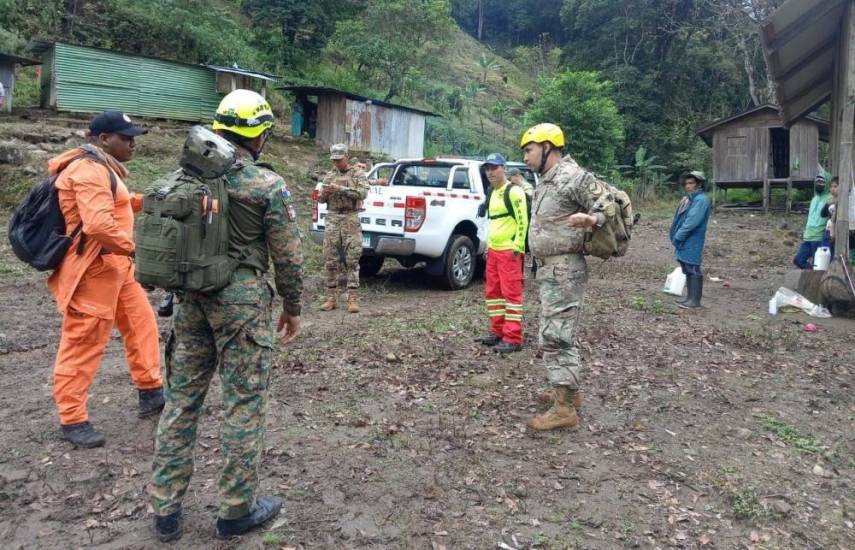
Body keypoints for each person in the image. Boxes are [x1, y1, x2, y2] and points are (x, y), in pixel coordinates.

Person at [149, 90, 304, 542]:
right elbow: (288, 258)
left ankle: (165, 507)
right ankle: (237, 508)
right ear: (258, 133)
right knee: (244, 404)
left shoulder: (180, 177)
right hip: (243, 307)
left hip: (190, 303)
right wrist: (292, 308)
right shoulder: (264, 185)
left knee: (180, 402)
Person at [47, 111, 164, 449]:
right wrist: (137, 250)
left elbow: (121, 204)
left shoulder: (104, 168)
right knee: (83, 343)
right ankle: (72, 418)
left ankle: (151, 391)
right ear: (102, 139)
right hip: (93, 271)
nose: (133, 144)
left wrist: (155, 200)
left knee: (142, 326)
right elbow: (98, 225)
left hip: (117, 268)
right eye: (126, 137)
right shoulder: (87, 171)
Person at [520, 123, 611, 431]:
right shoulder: (546, 179)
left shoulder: (573, 176)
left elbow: (607, 202)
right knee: (552, 331)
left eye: (529, 150)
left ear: (549, 147)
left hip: (564, 270)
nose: (526, 157)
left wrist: (592, 218)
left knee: (557, 335)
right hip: (549, 268)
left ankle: (564, 408)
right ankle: (568, 391)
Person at [476, 153, 528, 354]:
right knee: (493, 294)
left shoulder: (514, 192)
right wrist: (489, 246)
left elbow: (523, 220)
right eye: (487, 169)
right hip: (494, 251)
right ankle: (497, 331)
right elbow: (491, 222)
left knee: (511, 294)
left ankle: (513, 338)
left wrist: (518, 247)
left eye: (494, 168)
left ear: (503, 169)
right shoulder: (492, 192)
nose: (490, 172)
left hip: (509, 252)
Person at [318, 143, 369, 313]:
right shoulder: (330, 175)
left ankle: (352, 298)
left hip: (350, 217)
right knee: (330, 259)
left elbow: (362, 193)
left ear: (346, 157)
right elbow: (320, 199)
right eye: (334, 160)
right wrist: (326, 192)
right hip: (332, 218)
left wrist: (341, 188)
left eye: (339, 160)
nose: (337, 163)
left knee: (352, 258)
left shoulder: (357, 174)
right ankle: (331, 297)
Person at [669, 171, 712, 309]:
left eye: (691, 183)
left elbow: (691, 222)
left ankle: (694, 301)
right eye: (686, 183)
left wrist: (678, 236)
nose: (688, 186)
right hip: (686, 239)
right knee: (687, 267)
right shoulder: (691, 199)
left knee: (693, 267)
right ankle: (690, 298)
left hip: (692, 239)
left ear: (699, 184)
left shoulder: (701, 200)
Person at [793, 174, 831, 269]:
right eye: (817, 182)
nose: (819, 184)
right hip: (808, 237)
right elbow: (810, 218)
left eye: (822, 182)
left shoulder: (830, 198)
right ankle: (811, 274)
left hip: (818, 238)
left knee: (818, 266)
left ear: (827, 184)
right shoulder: (814, 199)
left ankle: (816, 281)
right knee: (798, 260)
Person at [821, 177, 839, 254]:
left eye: (835, 186)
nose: (832, 189)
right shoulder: (830, 200)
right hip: (828, 231)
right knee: (825, 255)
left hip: (839, 231)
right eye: (831, 187)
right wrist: (827, 204)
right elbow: (822, 214)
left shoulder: (846, 200)